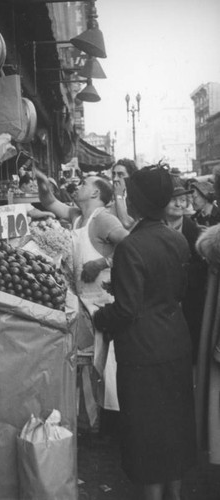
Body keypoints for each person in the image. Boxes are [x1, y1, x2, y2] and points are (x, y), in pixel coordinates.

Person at [93, 164, 197, 500]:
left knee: (147, 432)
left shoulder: (131, 247)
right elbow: (175, 290)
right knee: (174, 428)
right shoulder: (178, 239)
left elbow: (126, 310)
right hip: (175, 343)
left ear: (137, 203)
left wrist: (100, 317)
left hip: (142, 352)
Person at [33, 166, 128, 421]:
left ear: (96, 192)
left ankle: (112, 424)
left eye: (85, 183)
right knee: (90, 365)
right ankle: (94, 422)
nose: (79, 185)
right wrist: (43, 184)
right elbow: (50, 202)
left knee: (108, 367)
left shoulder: (104, 219)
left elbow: (131, 244)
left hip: (104, 302)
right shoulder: (77, 216)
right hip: (83, 301)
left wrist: (102, 263)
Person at [164, 175, 207, 363]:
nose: (179, 204)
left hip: (188, 305)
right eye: (174, 199)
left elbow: (202, 272)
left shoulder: (196, 234)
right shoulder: (152, 229)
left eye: (183, 199)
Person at [110, 158, 138, 230]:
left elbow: (127, 223)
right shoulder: (110, 196)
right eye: (114, 174)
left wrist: (119, 196)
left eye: (120, 175)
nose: (115, 179)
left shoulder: (136, 198)